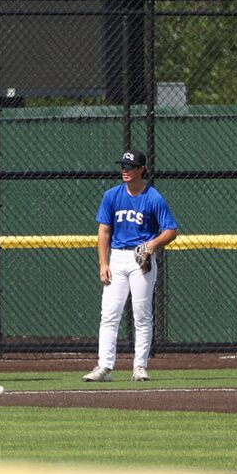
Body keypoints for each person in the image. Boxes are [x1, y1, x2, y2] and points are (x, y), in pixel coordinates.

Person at [86, 150, 177, 382]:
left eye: (130, 167)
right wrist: (103, 263)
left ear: (141, 170)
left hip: (141, 259)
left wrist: (152, 245)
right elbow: (104, 230)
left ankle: (139, 366)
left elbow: (171, 230)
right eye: (123, 167)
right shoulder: (112, 195)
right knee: (109, 314)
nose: (125, 171)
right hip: (117, 257)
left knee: (141, 314)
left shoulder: (153, 197)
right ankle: (104, 367)